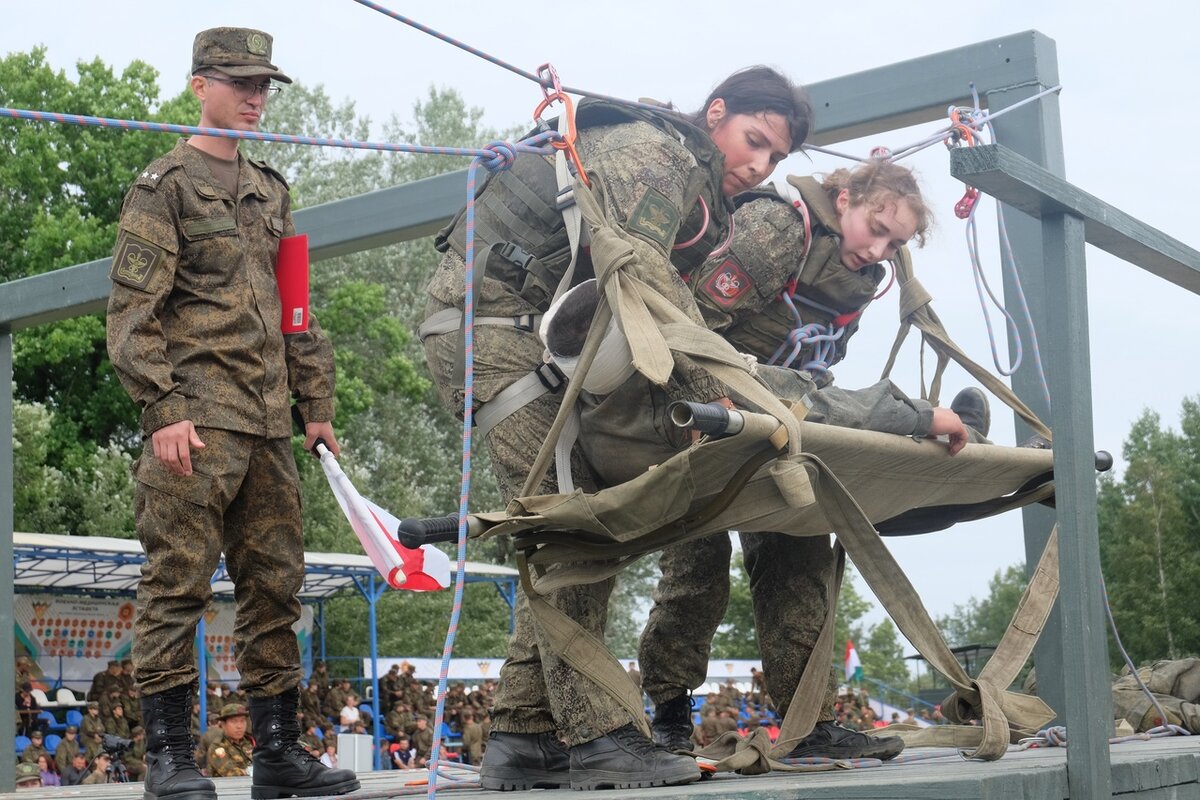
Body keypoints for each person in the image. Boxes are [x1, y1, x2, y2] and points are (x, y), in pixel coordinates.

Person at [422, 64, 809, 792]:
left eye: (776, 158)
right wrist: (720, 397)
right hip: (494, 336)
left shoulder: (678, 170)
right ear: (716, 113)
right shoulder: (655, 154)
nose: (759, 165)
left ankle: (523, 734)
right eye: (754, 140)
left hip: (517, 334)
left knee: (574, 526)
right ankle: (602, 738)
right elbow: (638, 282)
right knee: (577, 530)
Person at [552, 161, 986, 760]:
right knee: (697, 566)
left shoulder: (855, 277)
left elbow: (812, 363)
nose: (880, 249)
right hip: (703, 407)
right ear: (845, 196)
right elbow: (686, 326)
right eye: (876, 227)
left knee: (798, 551)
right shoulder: (779, 231)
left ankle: (809, 723)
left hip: (775, 422)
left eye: (897, 242)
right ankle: (672, 719)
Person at [105, 26, 359, 800]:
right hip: (197, 420)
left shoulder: (271, 190)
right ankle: (171, 759)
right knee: (177, 582)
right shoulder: (165, 185)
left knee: (277, 584)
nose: (254, 97)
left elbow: (296, 309)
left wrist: (315, 403)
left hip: (269, 424)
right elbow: (130, 311)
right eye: (240, 82)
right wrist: (163, 409)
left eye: (263, 85)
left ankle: (277, 755)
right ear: (199, 85)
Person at [208, 704, 254, 778]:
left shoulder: (248, 741)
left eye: (242, 721)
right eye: (234, 722)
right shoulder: (218, 747)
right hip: (229, 788)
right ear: (223, 724)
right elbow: (232, 773)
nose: (239, 726)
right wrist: (253, 771)